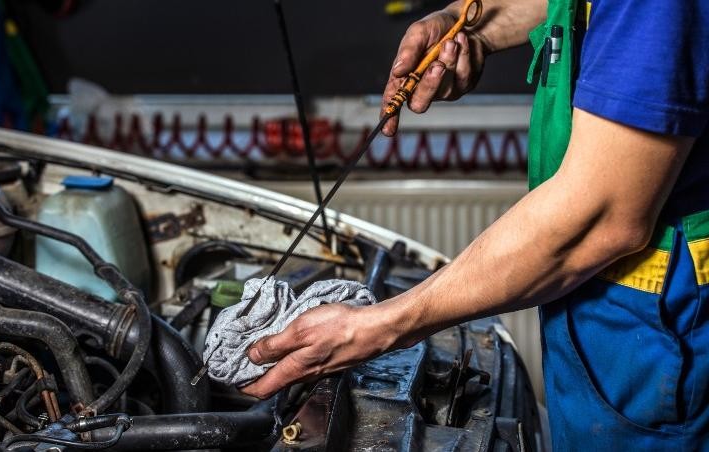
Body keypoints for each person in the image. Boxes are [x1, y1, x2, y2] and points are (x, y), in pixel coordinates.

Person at [241, 0, 709, 448]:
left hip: (663, 329)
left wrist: (379, 326)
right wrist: (471, 25)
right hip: (604, 309)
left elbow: (601, 216)